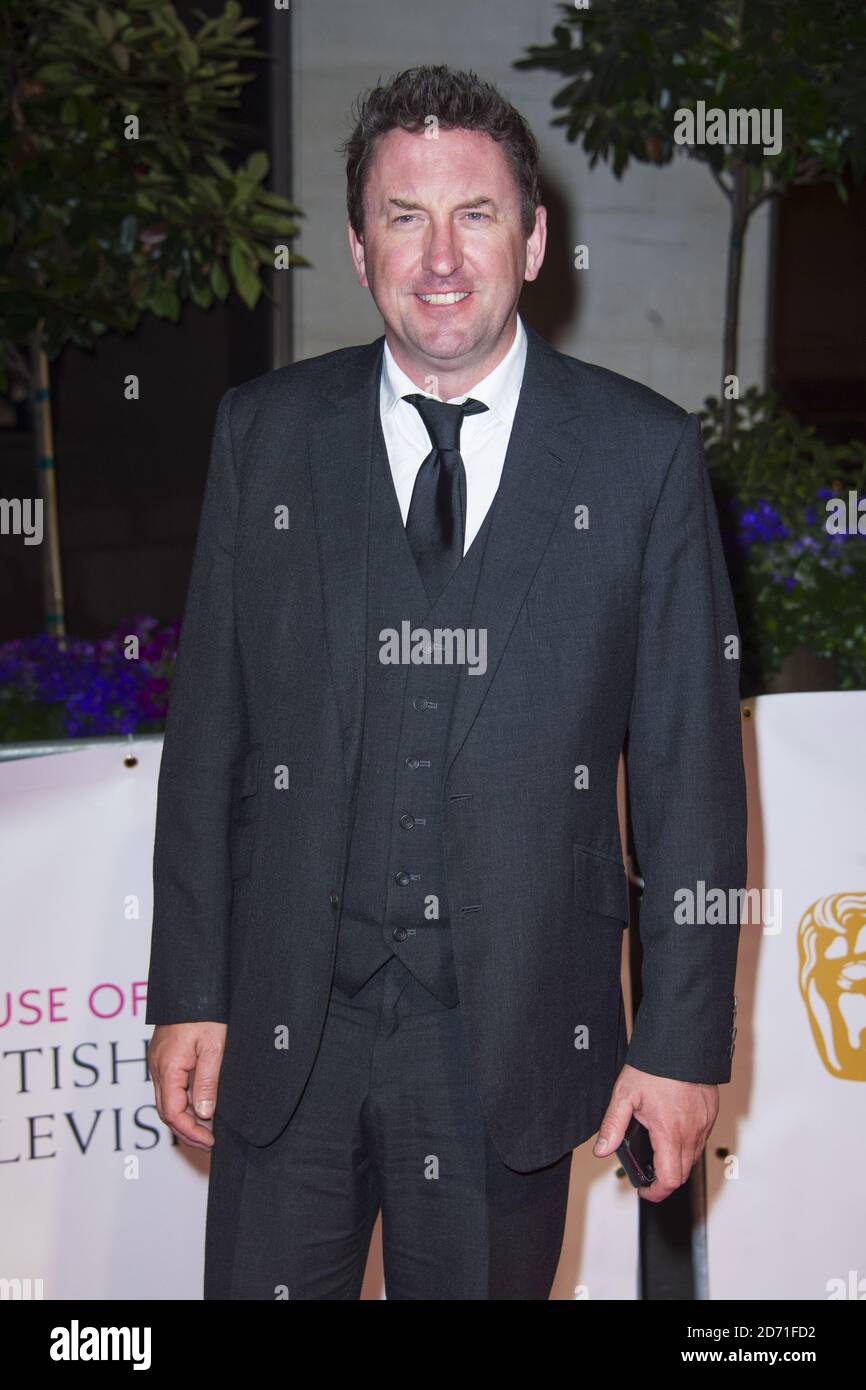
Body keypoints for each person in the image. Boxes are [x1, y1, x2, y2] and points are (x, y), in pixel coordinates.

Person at [146, 64, 746, 1301]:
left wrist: (682, 1046)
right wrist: (190, 990)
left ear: (532, 239)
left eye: (473, 214)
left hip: (510, 1042)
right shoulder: (263, 434)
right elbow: (207, 733)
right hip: (283, 1028)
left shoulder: (640, 457)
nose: (439, 257)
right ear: (359, 247)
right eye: (402, 217)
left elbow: (691, 776)